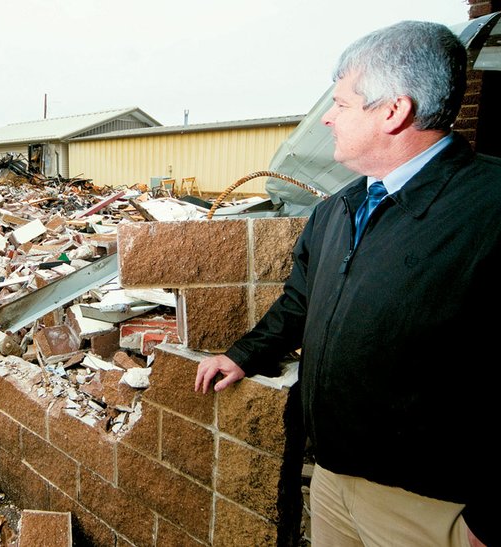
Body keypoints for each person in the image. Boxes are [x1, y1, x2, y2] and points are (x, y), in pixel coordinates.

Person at [195, 19, 501, 547]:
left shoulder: (490, 207)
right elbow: (302, 302)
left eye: (340, 104)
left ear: (393, 111)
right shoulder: (339, 209)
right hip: (335, 482)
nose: (329, 119)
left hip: (431, 508)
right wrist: (244, 354)